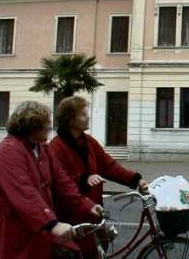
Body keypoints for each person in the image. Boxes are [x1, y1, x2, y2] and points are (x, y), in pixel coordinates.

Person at [0, 101, 103, 259]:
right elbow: (24, 193)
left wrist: (87, 205)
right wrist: (52, 223)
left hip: (39, 228)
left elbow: (63, 183)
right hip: (15, 229)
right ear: (32, 126)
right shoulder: (8, 152)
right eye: (46, 123)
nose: (50, 127)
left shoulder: (42, 149)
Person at [49, 95, 149, 258]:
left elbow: (109, 166)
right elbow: (59, 183)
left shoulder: (89, 142)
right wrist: (83, 179)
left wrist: (136, 180)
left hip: (94, 214)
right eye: (82, 114)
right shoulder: (56, 148)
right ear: (70, 120)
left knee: (99, 248)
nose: (87, 116)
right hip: (73, 219)